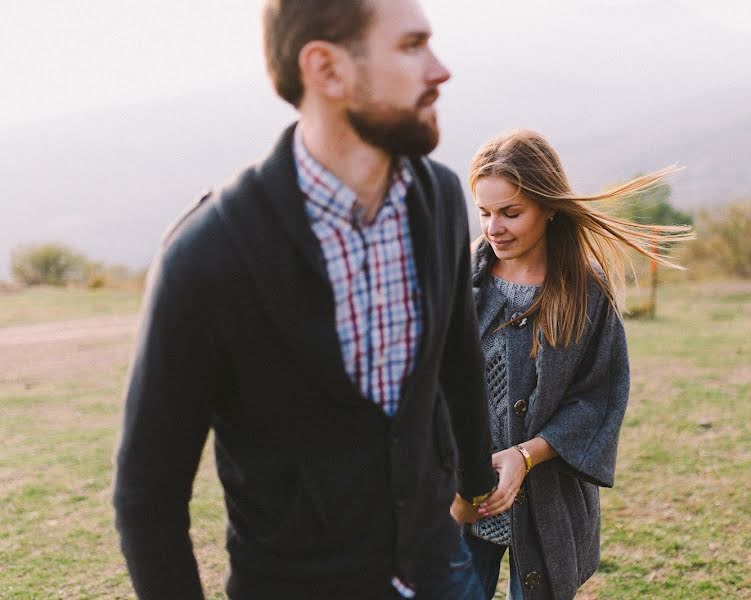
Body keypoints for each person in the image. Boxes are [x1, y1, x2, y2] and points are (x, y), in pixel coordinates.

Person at [112, 1, 498, 598]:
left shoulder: (442, 199)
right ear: (326, 69)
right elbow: (148, 496)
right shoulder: (207, 256)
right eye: (411, 45)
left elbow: (459, 363)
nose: (440, 69)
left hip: (441, 569)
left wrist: (476, 480)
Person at [450, 129, 693, 599]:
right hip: (463, 498)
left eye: (511, 212)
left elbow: (598, 397)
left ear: (549, 207)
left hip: (550, 504)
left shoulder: (586, 291)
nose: (494, 227)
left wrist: (525, 456)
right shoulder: (459, 283)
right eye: (484, 212)